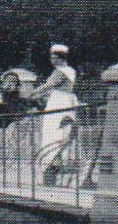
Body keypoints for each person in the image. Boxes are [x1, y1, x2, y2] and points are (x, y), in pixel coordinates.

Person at [30, 44, 80, 185]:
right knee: (62, 134)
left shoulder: (61, 71)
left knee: (53, 133)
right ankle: (55, 167)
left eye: (54, 57)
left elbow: (48, 86)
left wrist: (32, 93)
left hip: (59, 103)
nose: (51, 59)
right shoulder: (70, 71)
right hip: (66, 102)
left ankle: (51, 167)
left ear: (60, 57)